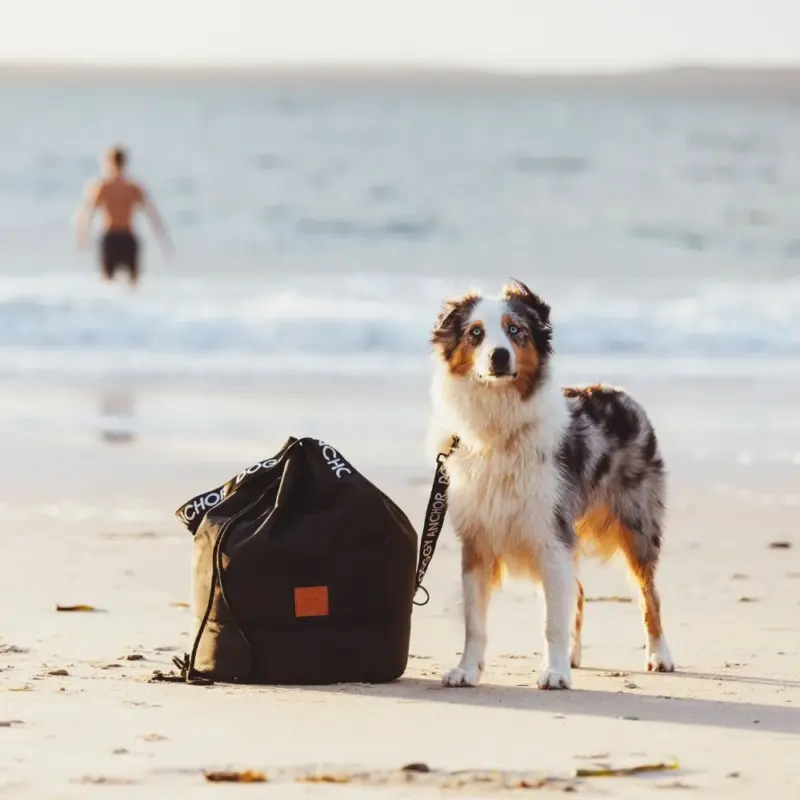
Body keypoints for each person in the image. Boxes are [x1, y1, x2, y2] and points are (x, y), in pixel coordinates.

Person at [75, 146, 173, 288]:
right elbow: (152, 214)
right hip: (128, 238)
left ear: (109, 163)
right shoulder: (133, 187)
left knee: (108, 285)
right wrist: (163, 239)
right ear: (124, 163)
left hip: (111, 238)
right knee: (133, 286)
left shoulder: (103, 187)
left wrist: (82, 236)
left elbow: (87, 212)